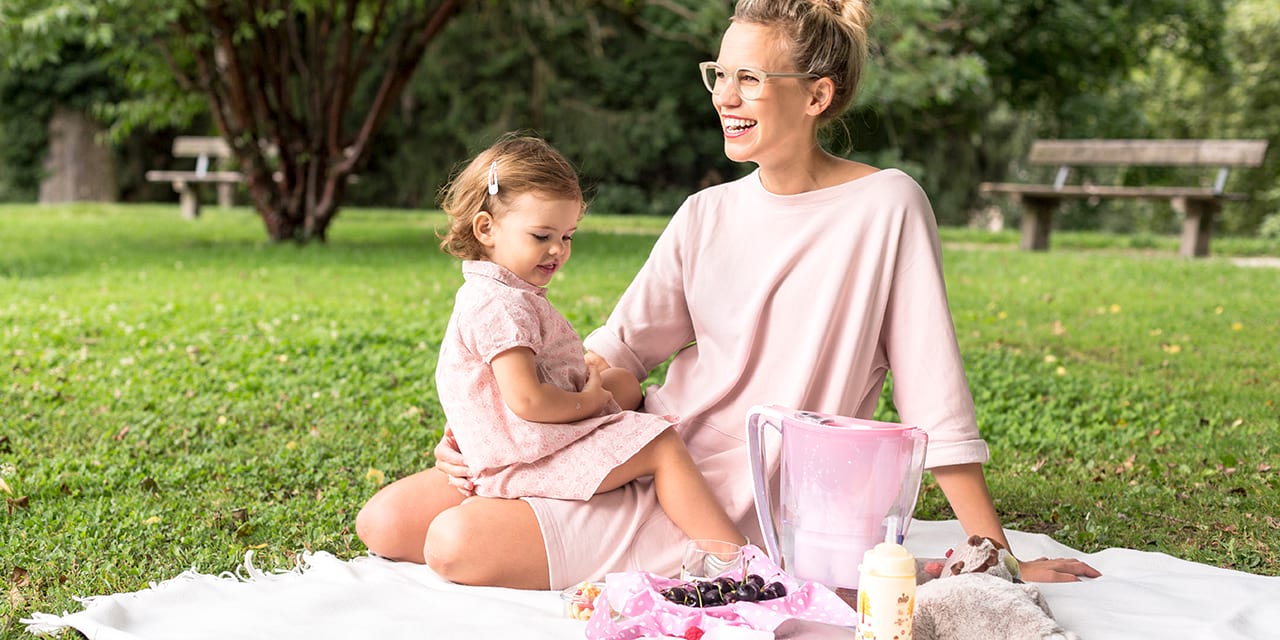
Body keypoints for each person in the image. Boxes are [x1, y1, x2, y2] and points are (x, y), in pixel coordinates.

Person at [356, 0, 1100, 589]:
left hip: (742, 502)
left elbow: (934, 397)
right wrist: (502, 434)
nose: (726, 96)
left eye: (751, 78)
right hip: (634, 446)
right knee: (386, 523)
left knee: (453, 544)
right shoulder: (706, 213)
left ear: (817, 95)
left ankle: (739, 569)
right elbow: (615, 354)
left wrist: (992, 553)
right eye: (720, 73)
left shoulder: (887, 206)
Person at [401, 134, 746, 574]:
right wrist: (589, 402)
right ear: (485, 229)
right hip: (524, 452)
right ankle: (738, 560)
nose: (558, 250)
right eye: (542, 235)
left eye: (567, 236)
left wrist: (597, 389)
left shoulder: (502, 292)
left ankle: (609, 472)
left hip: (518, 438)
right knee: (660, 443)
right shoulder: (499, 305)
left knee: (622, 381)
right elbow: (527, 400)